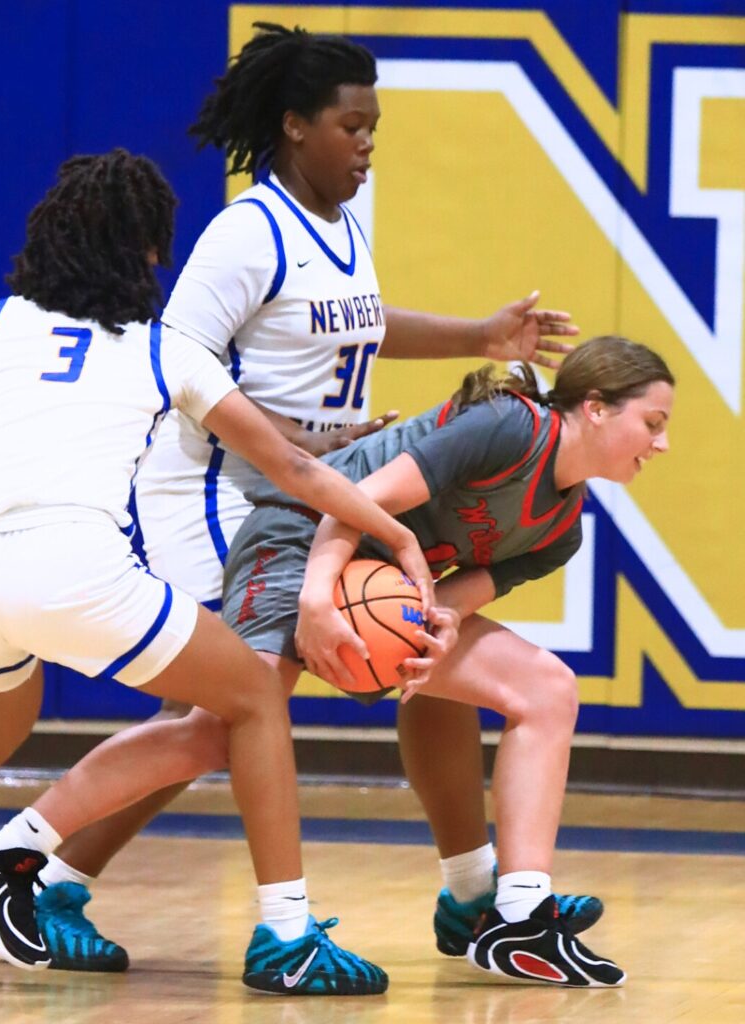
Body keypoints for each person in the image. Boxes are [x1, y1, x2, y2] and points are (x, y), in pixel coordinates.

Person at [0, 148, 437, 997]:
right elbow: (295, 470)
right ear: (148, 253)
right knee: (252, 696)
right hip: (70, 568)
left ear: (50, 237)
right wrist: (390, 529)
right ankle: (286, 932)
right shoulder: (162, 350)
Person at [41, 21, 598, 971]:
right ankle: (50, 875)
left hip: (304, 492)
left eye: (375, 127)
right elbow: (174, 364)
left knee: (412, 640)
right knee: (233, 713)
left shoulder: (334, 228)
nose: (368, 144)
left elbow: (363, 327)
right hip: (217, 496)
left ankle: (472, 891)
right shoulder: (245, 233)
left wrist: (483, 335)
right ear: (295, 126)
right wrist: (300, 442)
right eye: (352, 126)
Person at [220, 335, 674, 985]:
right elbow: (353, 501)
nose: (661, 444)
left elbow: (452, 601)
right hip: (304, 538)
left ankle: (514, 914)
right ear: (596, 408)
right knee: (218, 730)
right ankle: (37, 863)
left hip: (377, 578)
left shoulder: (561, 530)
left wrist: (439, 631)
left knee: (544, 689)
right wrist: (318, 600)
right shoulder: (511, 427)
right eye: (652, 424)